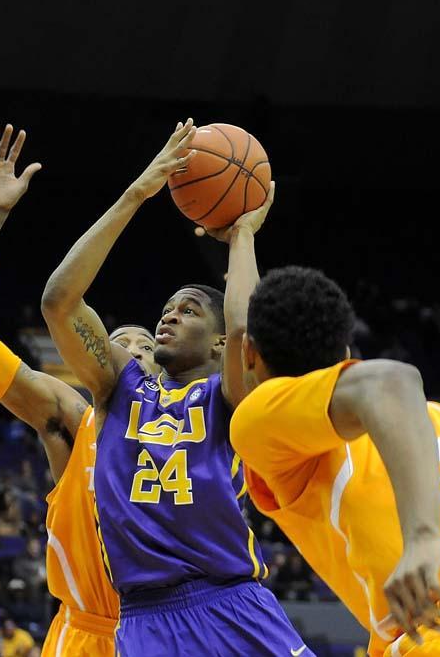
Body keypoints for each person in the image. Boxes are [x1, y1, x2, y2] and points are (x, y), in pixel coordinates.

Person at [41, 118, 308, 656]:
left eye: (188, 311)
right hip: (144, 619)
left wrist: (243, 237)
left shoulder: (228, 398)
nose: (168, 318)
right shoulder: (120, 387)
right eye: (166, 309)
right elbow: (59, 301)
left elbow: (245, 329)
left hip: (233, 602)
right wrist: (137, 193)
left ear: (216, 345)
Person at [0, 124, 159, 656]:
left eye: (144, 344)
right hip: (88, 635)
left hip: (171, 630)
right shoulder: (70, 416)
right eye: (115, 340)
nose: (128, 349)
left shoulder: (198, 427)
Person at [228, 265, 440, 656]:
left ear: (250, 354)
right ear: (345, 356)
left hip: (438, 627)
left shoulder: (263, 420)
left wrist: (423, 537)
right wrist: (242, 238)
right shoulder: (438, 419)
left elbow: (390, 380)